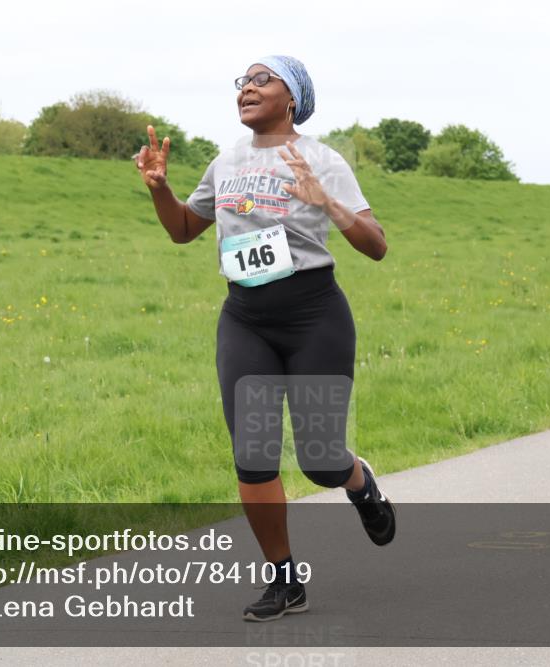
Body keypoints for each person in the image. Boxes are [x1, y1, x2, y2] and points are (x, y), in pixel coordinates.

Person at [134, 55, 396, 622]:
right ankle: (284, 580)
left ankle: (358, 480)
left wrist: (325, 201)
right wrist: (160, 187)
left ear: (293, 96)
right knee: (252, 457)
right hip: (245, 317)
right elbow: (183, 229)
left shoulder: (323, 160)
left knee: (321, 461)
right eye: (242, 82)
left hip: (313, 315)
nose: (246, 89)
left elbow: (376, 244)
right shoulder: (225, 161)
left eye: (262, 79)